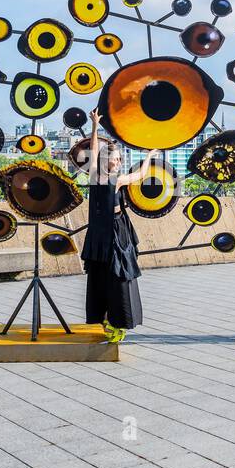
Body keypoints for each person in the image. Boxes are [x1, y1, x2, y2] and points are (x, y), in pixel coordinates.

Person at [79, 110, 156, 343]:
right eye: (117, 158)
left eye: (121, 159)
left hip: (115, 228)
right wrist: (94, 127)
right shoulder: (99, 176)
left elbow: (141, 175)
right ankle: (105, 318)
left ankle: (116, 322)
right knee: (103, 275)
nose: (120, 162)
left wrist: (150, 156)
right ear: (106, 160)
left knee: (115, 275)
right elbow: (93, 151)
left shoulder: (113, 179)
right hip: (102, 232)